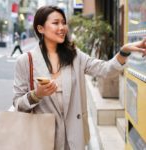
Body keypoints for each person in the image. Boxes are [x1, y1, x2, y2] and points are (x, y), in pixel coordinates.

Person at [12, 6, 146, 150]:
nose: (62, 27)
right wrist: (36, 95)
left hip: (73, 139)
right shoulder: (26, 61)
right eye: (56, 23)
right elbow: (18, 103)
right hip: (41, 139)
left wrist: (124, 52)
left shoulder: (75, 56)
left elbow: (105, 70)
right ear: (40, 28)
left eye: (64, 22)